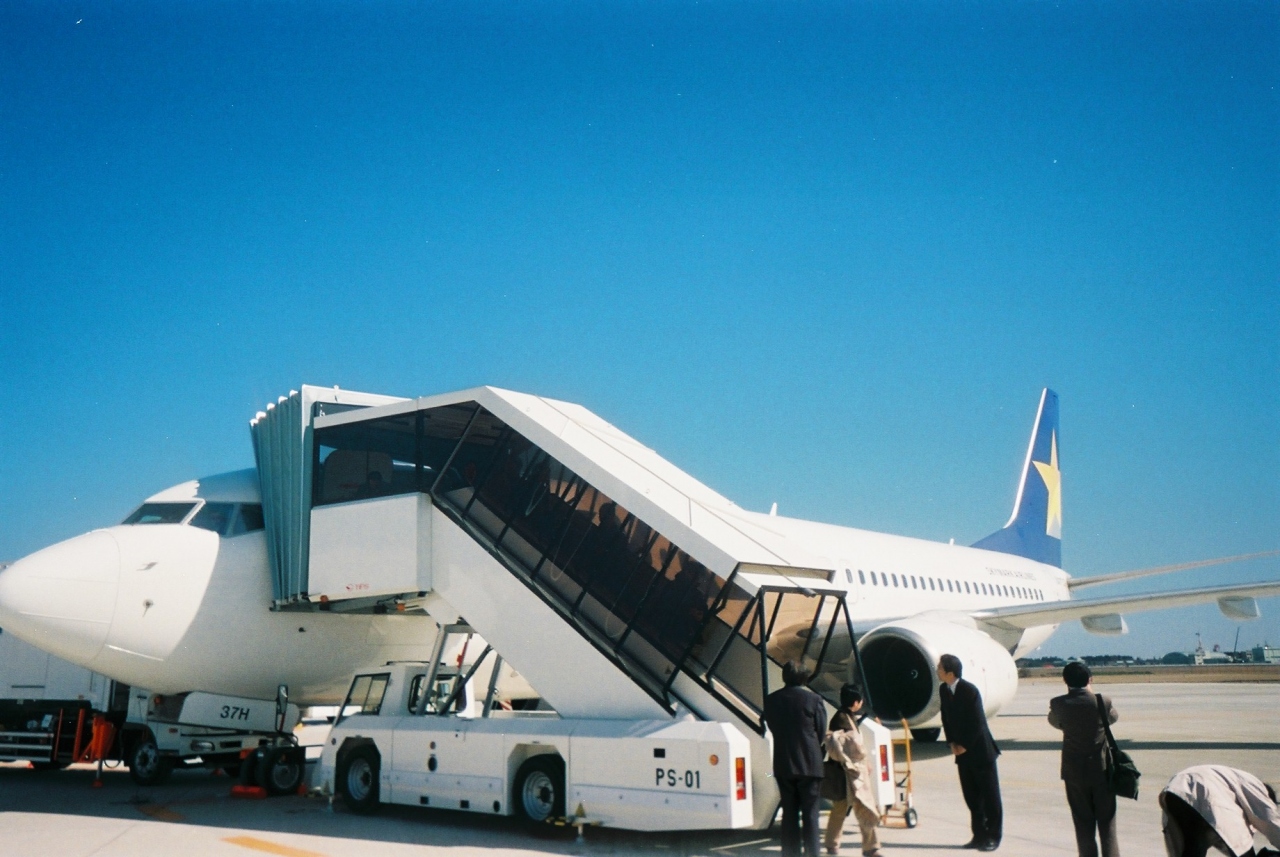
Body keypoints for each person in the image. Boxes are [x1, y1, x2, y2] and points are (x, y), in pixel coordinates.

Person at [1048, 662, 1120, 857]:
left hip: (1074, 772)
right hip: (1102, 770)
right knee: (1107, 823)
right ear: (1090, 679)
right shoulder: (1102, 701)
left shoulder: (1058, 703)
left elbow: (1055, 722)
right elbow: (1113, 719)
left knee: (1082, 823)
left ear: (1065, 681)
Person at [937, 653, 1003, 851]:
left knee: (990, 797)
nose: (937, 671)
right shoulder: (944, 689)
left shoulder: (969, 691)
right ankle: (978, 835)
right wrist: (951, 743)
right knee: (972, 797)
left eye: (939, 668)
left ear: (950, 672)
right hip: (961, 752)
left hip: (980, 752)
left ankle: (993, 836)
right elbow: (946, 718)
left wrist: (964, 745)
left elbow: (977, 723)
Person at [764, 660, 828, 857]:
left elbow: (771, 726)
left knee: (789, 816)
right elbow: (821, 731)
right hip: (810, 763)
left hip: (784, 762)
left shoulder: (772, 700)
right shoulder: (814, 700)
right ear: (804, 677)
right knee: (810, 816)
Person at [1159, 765, 1280, 857]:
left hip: (1176, 791)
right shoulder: (1258, 788)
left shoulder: (1234, 781)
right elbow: (1270, 820)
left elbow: (1223, 838)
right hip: (1206, 790)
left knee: (1193, 848)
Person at [823, 684, 883, 856]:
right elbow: (848, 748)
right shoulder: (843, 720)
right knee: (859, 808)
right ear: (856, 702)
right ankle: (868, 847)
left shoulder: (844, 717)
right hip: (847, 774)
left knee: (847, 809)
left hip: (849, 773)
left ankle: (838, 845)